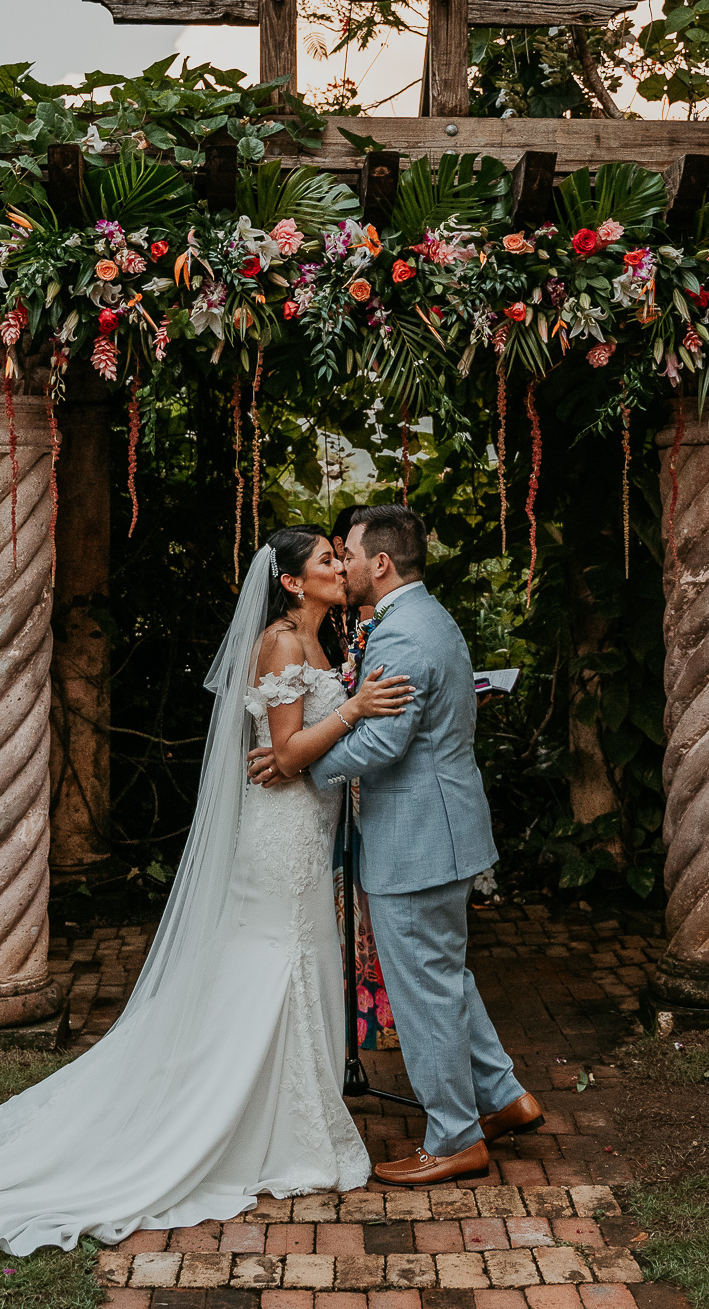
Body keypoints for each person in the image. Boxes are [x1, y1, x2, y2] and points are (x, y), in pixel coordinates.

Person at [0, 527, 411, 1273]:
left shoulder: (321, 641)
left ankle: (289, 1118)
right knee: (275, 959)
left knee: (293, 958)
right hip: (281, 836)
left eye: (342, 555)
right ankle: (253, 1126)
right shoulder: (279, 644)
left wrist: (331, 721)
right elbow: (288, 755)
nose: (342, 565)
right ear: (294, 583)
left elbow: (293, 751)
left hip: (304, 830)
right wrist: (354, 711)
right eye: (328, 559)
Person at [249, 504, 544, 1185]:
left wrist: (295, 765)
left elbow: (383, 741)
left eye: (346, 553)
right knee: (446, 977)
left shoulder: (401, 635)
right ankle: (503, 1097)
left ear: (379, 563)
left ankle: (452, 1138)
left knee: (426, 991)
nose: (343, 564)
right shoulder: (423, 617)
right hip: (439, 827)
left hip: (417, 837)